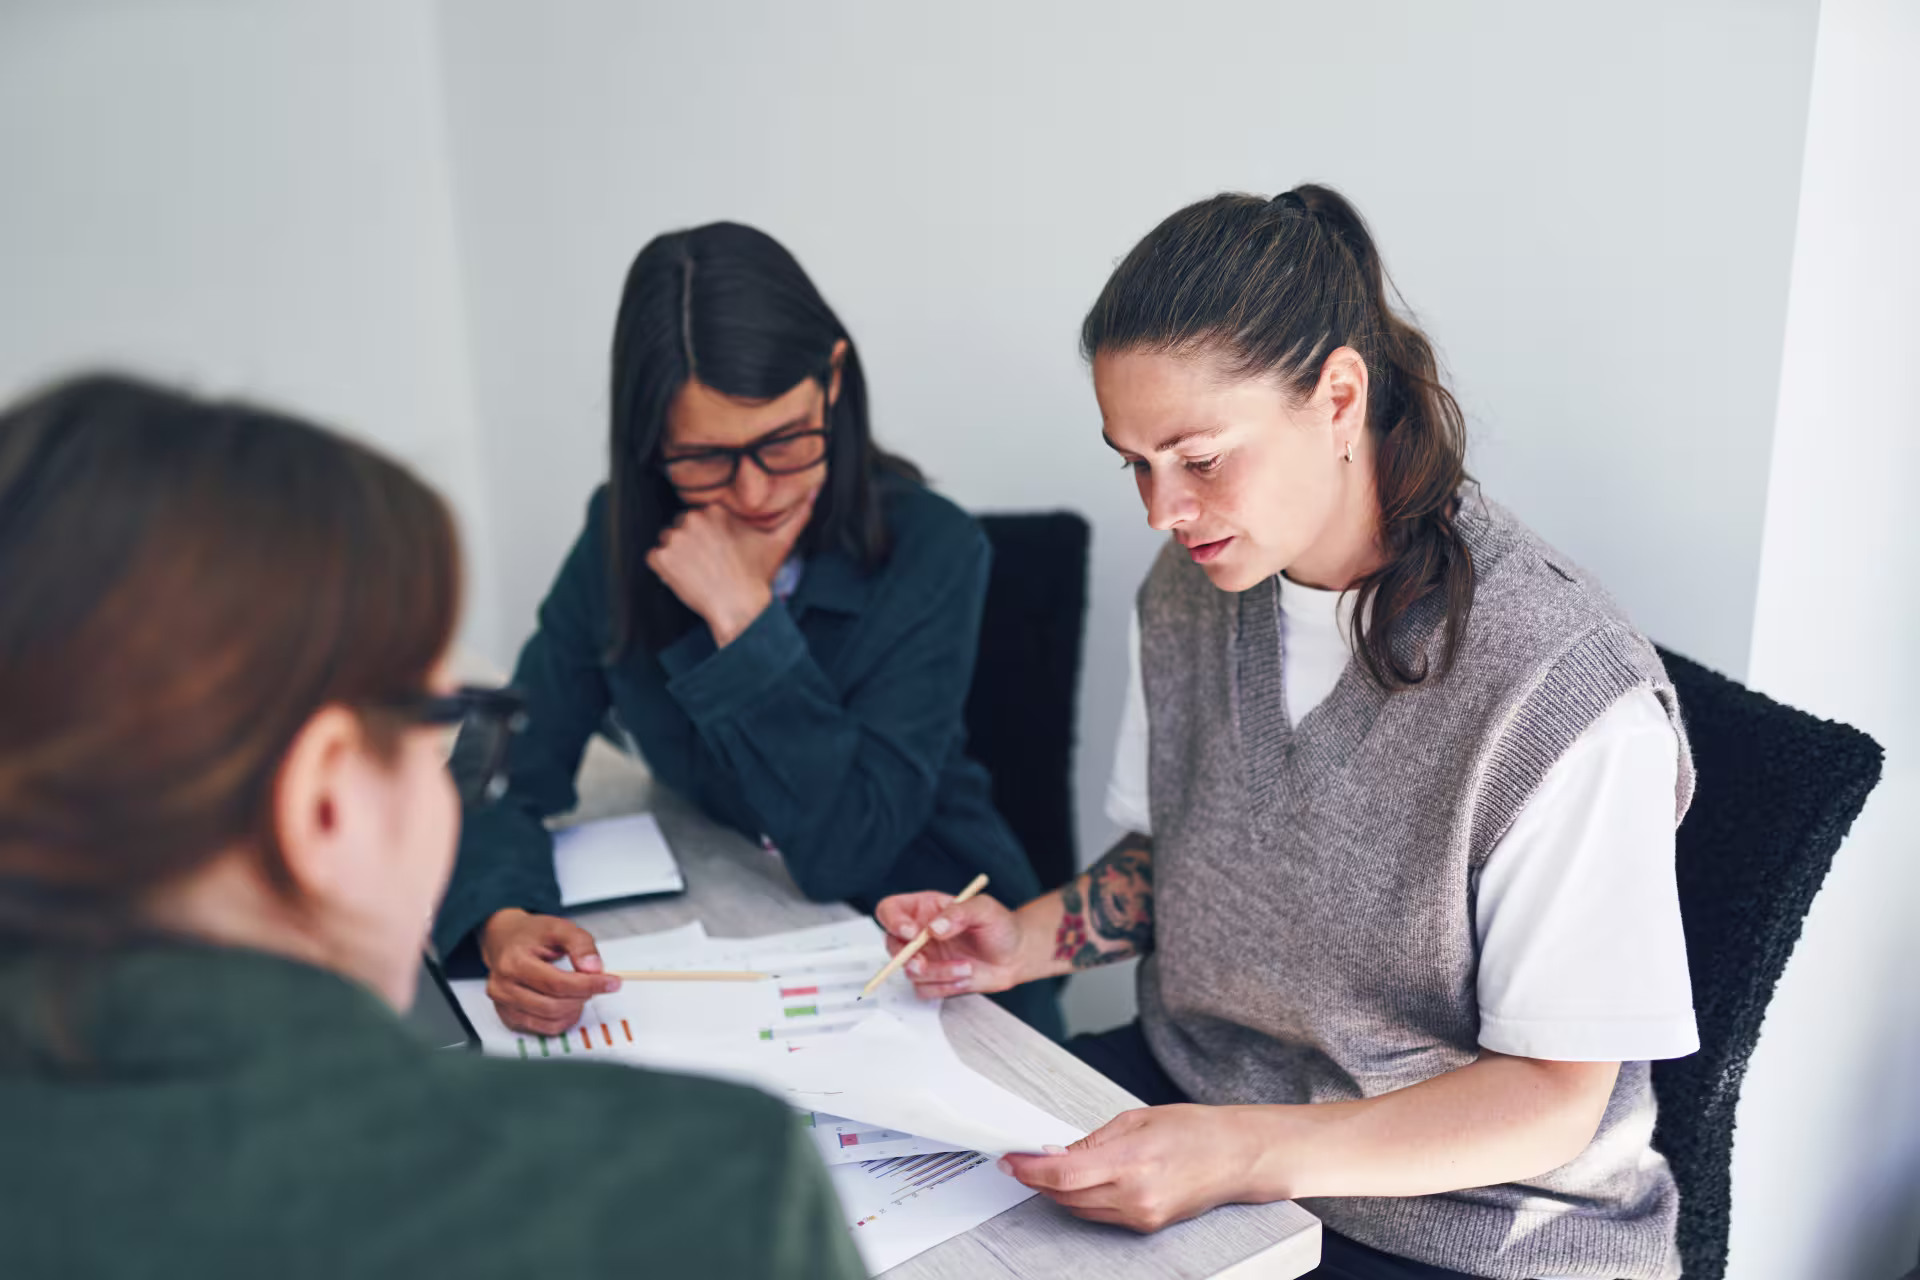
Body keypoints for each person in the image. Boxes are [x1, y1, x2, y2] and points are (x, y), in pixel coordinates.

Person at [877, 187, 1698, 1280]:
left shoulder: (1559, 685)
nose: (1162, 511)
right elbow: (1187, 856)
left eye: (1200, 456)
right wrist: (1026, 938)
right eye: (1135, 461)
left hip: (1469, 1224)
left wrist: (1249, 1151)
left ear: (1340, 397)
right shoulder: (1194, 589)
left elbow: (1553, 1099)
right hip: (1200, 1114)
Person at [0, 375, 862, 1278]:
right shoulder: (708, 1187)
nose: (751, 489)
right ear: (324, 801)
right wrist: (501, 912)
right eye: (437, 723)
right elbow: (527, 777)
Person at [436, 221, 1056, 1040]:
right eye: (704, 458)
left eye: (786, 442)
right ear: (651, 439)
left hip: (938, 965)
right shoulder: (621, 533)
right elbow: (502, 762)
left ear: (831, 382)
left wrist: (744, 618)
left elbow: (845, 854)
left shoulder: (933, 550)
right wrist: (502, 918)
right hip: (742, 923)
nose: (756, 492)